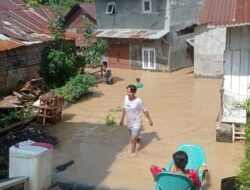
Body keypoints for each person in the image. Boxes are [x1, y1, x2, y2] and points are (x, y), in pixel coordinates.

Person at [120, 84, 153, 155]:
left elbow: (144, 110)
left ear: (134, 92)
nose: (128, 94)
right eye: (127, 92)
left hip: (136, 122)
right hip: (129, 122)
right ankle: (138, 138)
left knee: (132, 139)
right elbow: (124, 109)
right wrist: (122, 119)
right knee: (134, 138)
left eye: (129, 92)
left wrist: (149, 120)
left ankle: (132, 153)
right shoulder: (125, 98)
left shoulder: (138, 101)